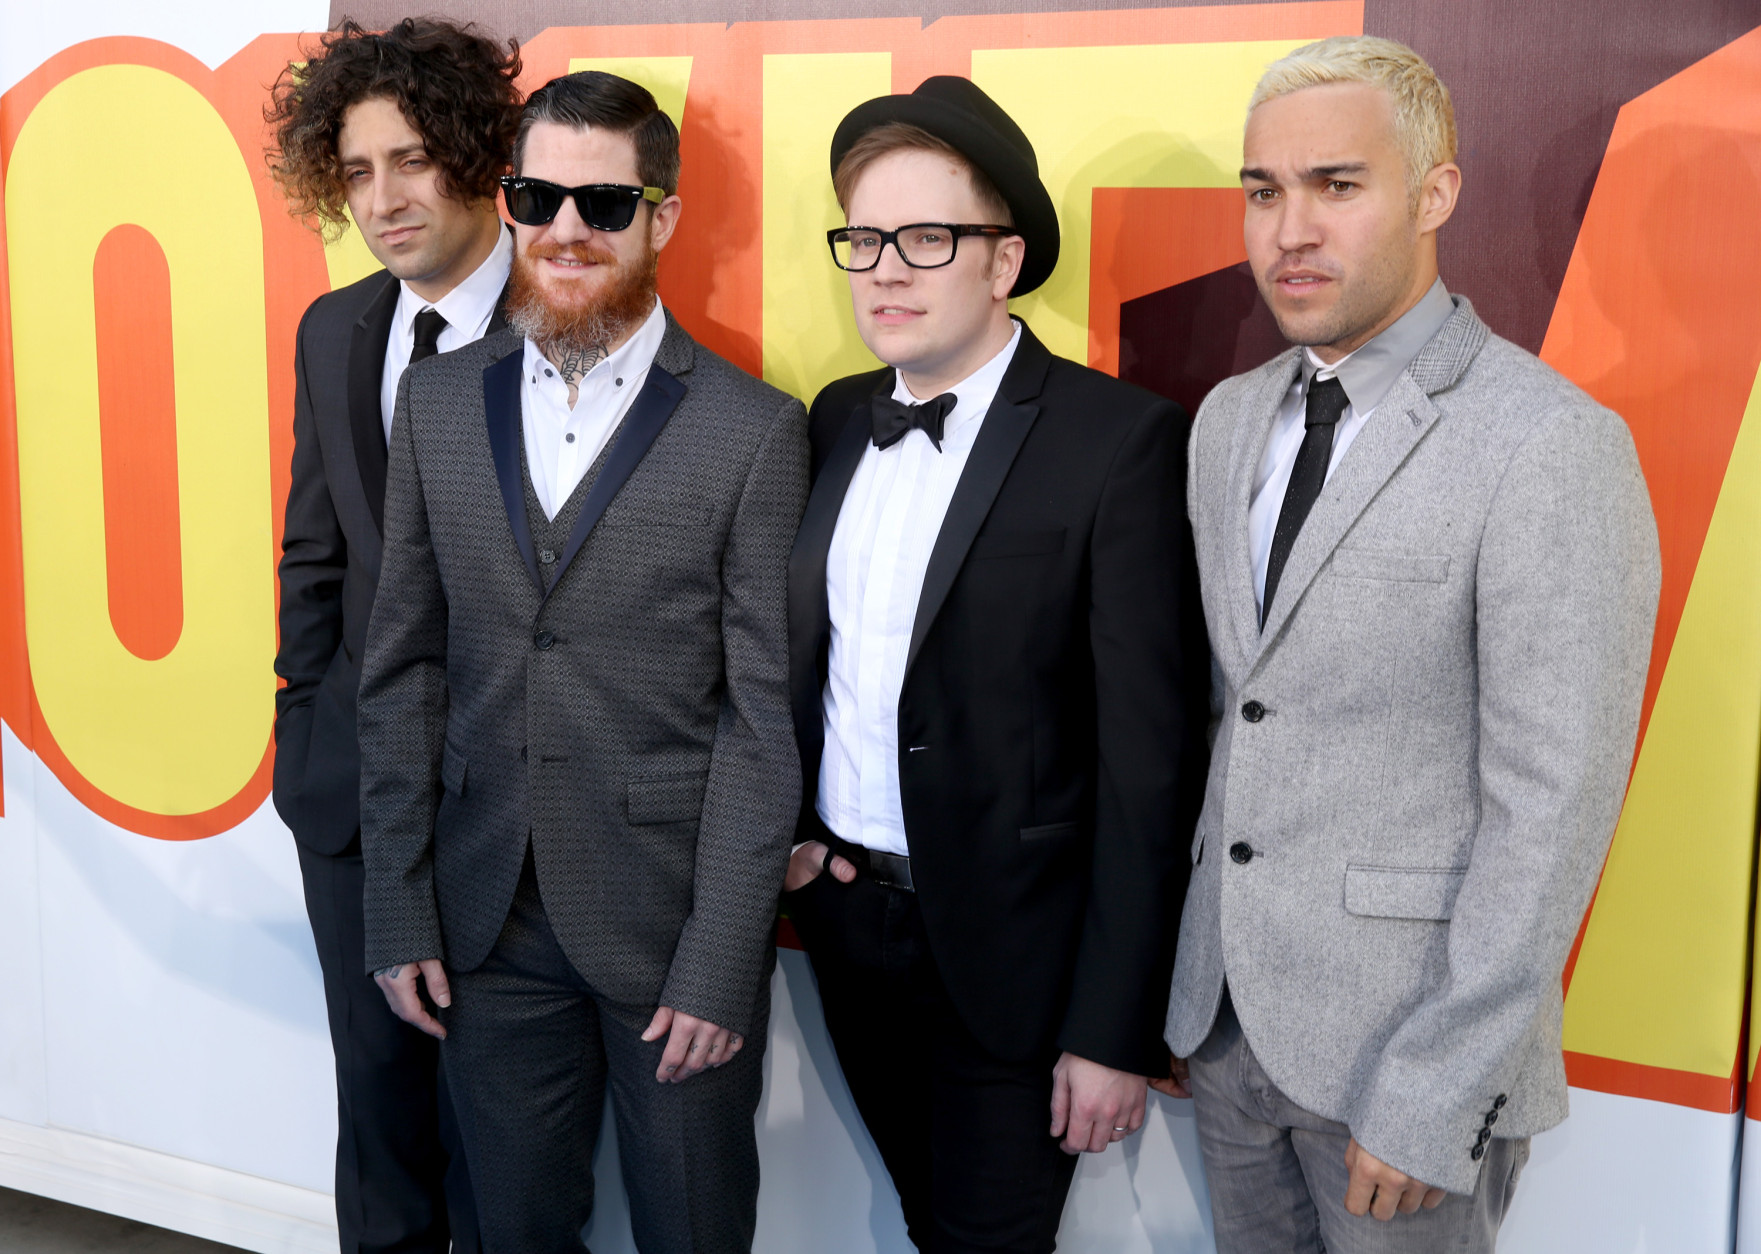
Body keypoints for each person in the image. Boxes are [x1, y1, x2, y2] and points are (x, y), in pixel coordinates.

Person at [1156, 35, 1660, 1254]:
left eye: (1338, 185)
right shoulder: (1228, 421)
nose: (1290, 230)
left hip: (1403, 1065)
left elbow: (1554, 806)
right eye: (1264, 192)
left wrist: (1439, 1087)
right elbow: (1242, 715)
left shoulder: (1549, 444)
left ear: (1435, 193)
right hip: (1224, 1033)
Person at [356, 70, 808, 1254]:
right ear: (507, 202)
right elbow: (403, 666)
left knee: (695, 1230)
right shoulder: (437, 404)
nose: (565, 230)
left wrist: (719, 965)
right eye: (538, 196)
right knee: (512, 1232)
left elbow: (762, 722)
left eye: (604, 205)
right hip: (483, 919)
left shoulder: (754, 431)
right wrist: (400, 902)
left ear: (660, 217)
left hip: (669, 929)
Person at [783, 76, 1211, 1253]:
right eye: (864, 237)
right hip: (848, 925)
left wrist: (1115, 1025)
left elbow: (1150, 765)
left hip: (1019, 962)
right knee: (929, 1221)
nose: (884, 268)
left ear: (1004, 260)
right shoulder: (831, 418)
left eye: (928, 237)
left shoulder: (1117, 441)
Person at [267, 18, 523, 1252]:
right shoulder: (335, 329)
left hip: (509, 812)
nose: (384, 199)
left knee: (504, 1144)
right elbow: (314, 553)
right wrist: (299, 721)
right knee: (377, 1126)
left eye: (412, 159)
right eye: (357, 171)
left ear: (477, 155)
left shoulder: (571, 322)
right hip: (353, 804)